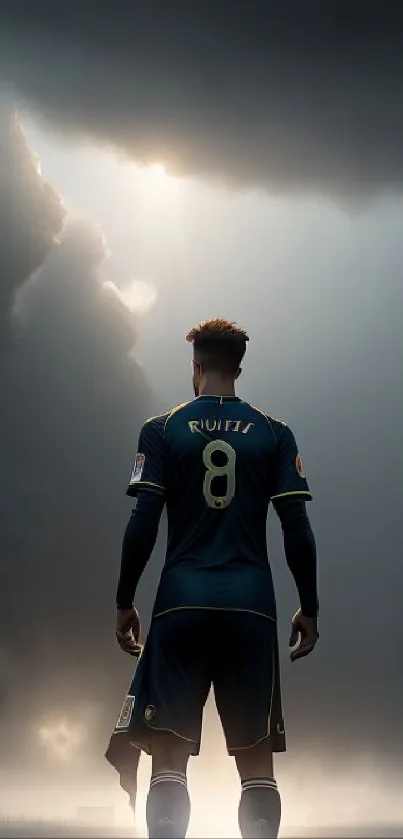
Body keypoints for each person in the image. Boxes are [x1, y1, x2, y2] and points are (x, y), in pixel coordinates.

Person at [113, 319, 319, 839]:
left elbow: (143, 522)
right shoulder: (274, 433)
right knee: (256, 771)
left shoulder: (162, 429)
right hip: (251, 609)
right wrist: (310, 607)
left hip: (181, 605)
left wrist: (124, 600)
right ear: (239, 368)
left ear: (196, 367)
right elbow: (296, 527)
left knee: (168, 761)